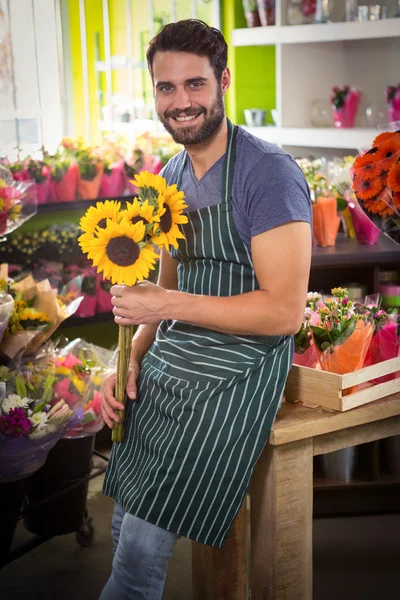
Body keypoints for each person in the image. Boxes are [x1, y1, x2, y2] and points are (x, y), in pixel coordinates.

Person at [100, 19, 312, 600]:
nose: (181, 102)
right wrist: (133, 359)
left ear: (223, 82)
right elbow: (166, 287)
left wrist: (164, 304)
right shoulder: (167, 177)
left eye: (195, 85)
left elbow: (284, 313)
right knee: (122, 524)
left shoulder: (267, 174)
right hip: (173, 360)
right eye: (166, 88)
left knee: (139, 556)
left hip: (238, 370)